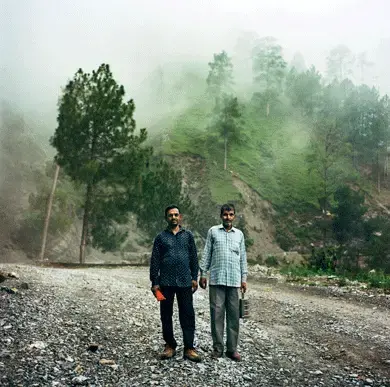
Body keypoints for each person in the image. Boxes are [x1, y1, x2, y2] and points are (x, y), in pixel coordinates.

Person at [149, 205, 202, 362]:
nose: (173, 217)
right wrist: (155, 282)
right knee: (166, 315)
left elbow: (194, 258)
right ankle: (170, 345)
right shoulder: (160, 238)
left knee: (187, 315)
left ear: (180, 217)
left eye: (176, 215)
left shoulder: (188, 236)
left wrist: (194, 277)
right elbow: (155, 261)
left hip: (185, 282)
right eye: (170, 215)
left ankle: (189, 348)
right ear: (166, 218)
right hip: (165, 283)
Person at [199, 203, 248, 361]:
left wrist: (244, 279)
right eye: (225, 215)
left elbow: (243, 259)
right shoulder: (213, 232)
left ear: (234, 216)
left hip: (234, 282)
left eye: (231, 214)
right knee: (216, 315)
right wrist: (203, 274)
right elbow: (207, 253)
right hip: (216, 280)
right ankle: (218, 348)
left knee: (233, 316)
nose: (228, 217)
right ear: (221, 216)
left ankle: (232, 349)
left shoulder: (239, 235)